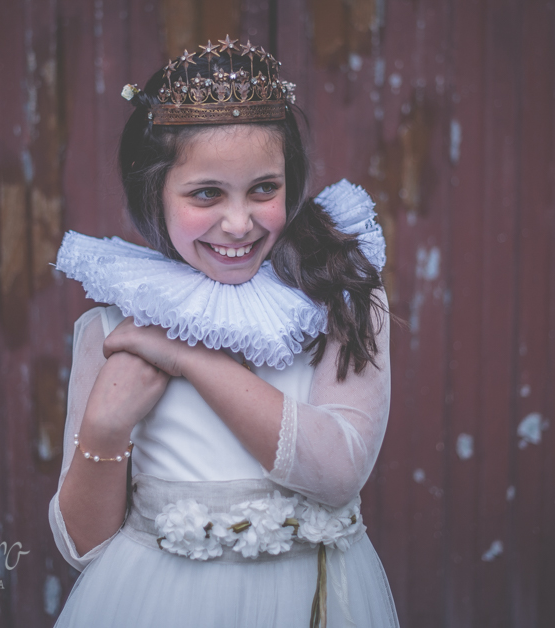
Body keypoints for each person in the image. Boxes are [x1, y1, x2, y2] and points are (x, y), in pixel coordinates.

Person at [48, 36, 400, 627]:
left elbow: (338, 472)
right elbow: (82, 547)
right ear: (155, 195)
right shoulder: (112, 328)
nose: (238, 223)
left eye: (264, 188)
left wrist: (191, 359)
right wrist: (106, 426)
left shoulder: (339, 296)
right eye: (206, 193)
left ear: (289, 180)